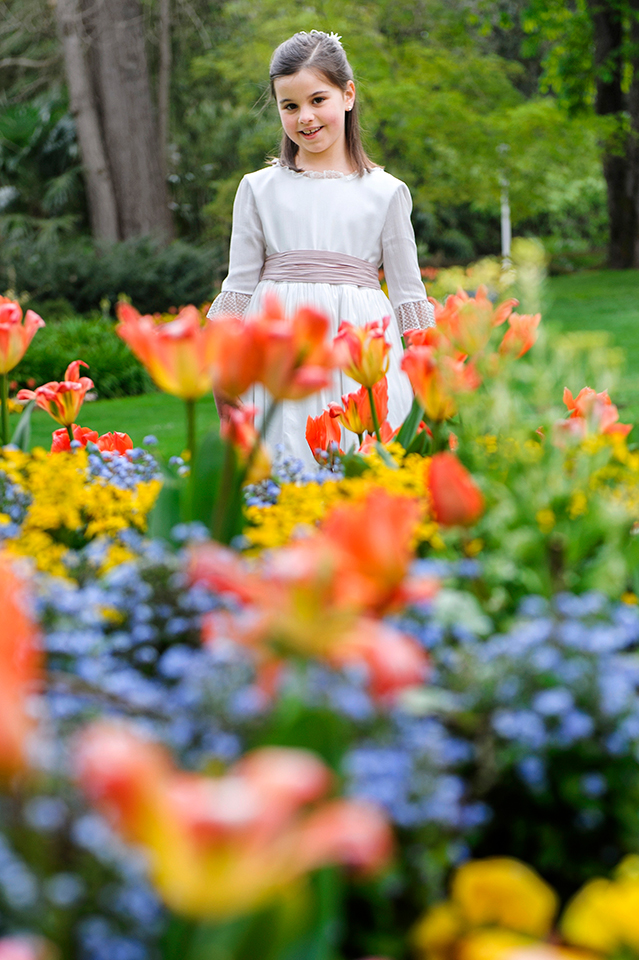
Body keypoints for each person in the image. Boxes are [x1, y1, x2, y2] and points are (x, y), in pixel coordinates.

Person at [208, 29, 435, 465]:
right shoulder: (258, 189)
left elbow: (409, 297)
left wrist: (431, 376)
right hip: (278, 349)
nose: (305, 118)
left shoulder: (385, 192)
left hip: (359, 346)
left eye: (317, 100)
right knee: (283, 459)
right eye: (290, 106)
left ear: (347, 95)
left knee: (360, 459)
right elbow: (238, 289)